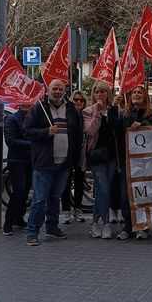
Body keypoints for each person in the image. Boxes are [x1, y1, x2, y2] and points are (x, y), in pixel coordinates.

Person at [22, 79, 83, 246]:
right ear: (48, 90)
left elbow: (77, 135)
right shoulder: (39, 108)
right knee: (40, 199)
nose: (57, 92)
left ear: (65, 91)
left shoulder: (70, 109)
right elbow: (26, 131)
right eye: (54, 89)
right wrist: (45, 132)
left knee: (55, 197)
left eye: (60, 89)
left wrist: (74, 158)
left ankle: (52, 227)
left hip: (64, 162)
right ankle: (33, 231)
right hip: (44, 162)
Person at [116, 85, 152, 240]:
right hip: (128, 162)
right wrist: (113, 106)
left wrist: (143, 124)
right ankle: (128, 226)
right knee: (126, 196)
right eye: (134, 93)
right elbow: (113, 126)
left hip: (146, 163)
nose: (136, 94)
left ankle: (143, 227)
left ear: (145, 97)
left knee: (143, 195)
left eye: (140, 92)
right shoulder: (125, 114)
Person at [84, 82, 122, 239]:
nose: (100, 95)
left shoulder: (115, 110)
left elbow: (116, 128)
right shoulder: (88, 111)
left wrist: (112, 109)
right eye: (97, 92)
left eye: (103, 92)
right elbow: (91, 131)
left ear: (108, 94)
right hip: (96, 156)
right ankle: (105, 223)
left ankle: (94, 223)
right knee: (104, 189)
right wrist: (97, 113)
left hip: (112, 157)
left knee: (101, 191)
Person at [3, 104, 32, 235]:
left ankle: (19, 218)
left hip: (30, 160)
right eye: (25, 102)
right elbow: (10, 141)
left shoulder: (34, 118)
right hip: (17, 160)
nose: (27, 105)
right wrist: (33, 144)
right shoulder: (12, 119)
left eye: (30, 102)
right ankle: (8, 222)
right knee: (18, 191)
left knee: (25, 191)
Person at [60, 90, 88, 225]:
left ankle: (77, 208)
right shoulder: (68, 114)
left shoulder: (86, 115)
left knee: (79, 182)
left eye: (81, 100)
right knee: (66, 182)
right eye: (76, 100)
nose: (78, 102)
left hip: (81, 153)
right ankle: (66, 210)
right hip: (68, 152)